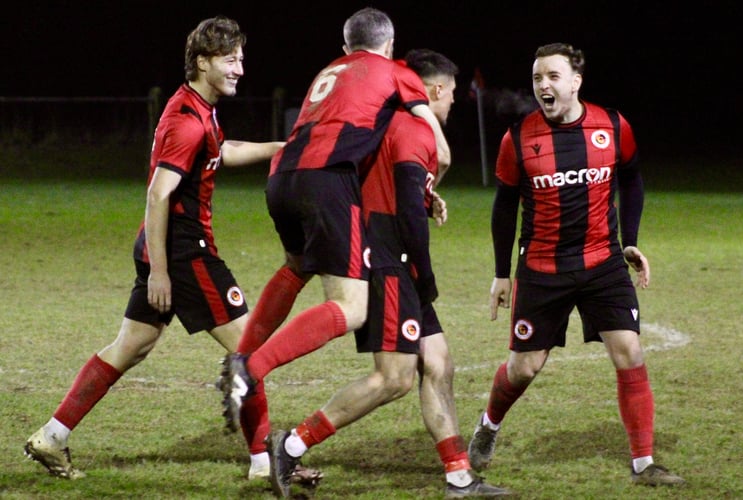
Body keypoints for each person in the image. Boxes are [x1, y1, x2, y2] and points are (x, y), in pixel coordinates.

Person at [23, 16, 285, 480]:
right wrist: (162, 271)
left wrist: (282, 147)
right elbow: (158, 194)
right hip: (184, 250)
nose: (240, 69)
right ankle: (266, 465)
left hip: (163, 244)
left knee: (133, 344)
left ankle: (53, 436)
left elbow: (221, 151)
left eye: (241, 59)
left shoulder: (197, 107)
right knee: (250, 348)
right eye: (230, 60)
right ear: (202, 62)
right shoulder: (186, 121)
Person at [263, 48, 513, 499]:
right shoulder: (411, 126)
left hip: (389, 253)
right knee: (393, 378)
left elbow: (395, 188)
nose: (454, 101)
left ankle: (458, 477)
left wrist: (425, 194)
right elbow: (406, 213)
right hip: (389, 260)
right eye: (452, 93)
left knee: (439, 363)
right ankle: (292, 444)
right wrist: (426, 275)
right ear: (435, 90)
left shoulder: (383, 120)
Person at [217, 6, 452, 473]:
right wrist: (432, 184)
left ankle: (242, 358)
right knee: (352, 307)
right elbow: (437, 144)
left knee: (296, 266)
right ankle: (251, 369)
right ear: (387, 44)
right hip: (328, 183)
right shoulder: (395, 71)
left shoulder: (329, 71)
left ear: (346, 47)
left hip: (282, 177)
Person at [466, 42, 686, 487]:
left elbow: (632, 177)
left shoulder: (612, 125)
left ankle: (644, 464)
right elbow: (505, 206)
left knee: (629, 351)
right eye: (536, 79)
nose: (543, 86)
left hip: (602, 261)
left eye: (552, 76)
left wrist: (631, 242)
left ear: (575, 82)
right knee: (524, 368)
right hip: (543, 269)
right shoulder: (519, 138)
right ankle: (488, 426)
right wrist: (499, 272)